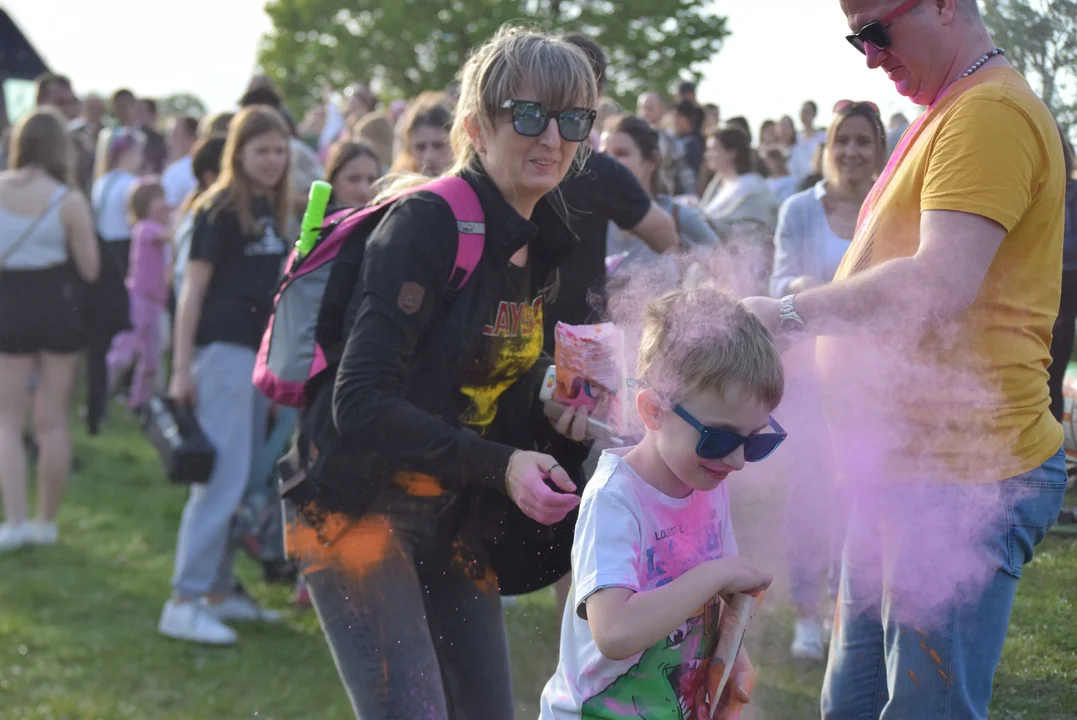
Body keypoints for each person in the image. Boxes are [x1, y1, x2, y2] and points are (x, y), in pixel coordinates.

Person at [742, 1, 1068, 716]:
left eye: (876, 30)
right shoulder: (952, 108)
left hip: (960, 482)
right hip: (903, 476)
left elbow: (938, 282)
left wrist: (791, 316)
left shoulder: (989, 114)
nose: (867, 54)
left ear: (944, 5)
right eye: (854, 37)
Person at [281, 26, 599, 718]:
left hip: (453, 511)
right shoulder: (427, 224)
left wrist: (554, 401)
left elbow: (484, 373)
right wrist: (502, 463)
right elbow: (360, 402)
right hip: (354, 508)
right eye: (528, 115)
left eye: (573, 119)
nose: (551, 137)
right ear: (474, 127)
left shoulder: (542, 242)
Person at [539, 287, 781, 719]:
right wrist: (718, 573)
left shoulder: (708, 483)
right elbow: (613, 633)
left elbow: (717, 602)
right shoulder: (616, 500)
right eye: (721, 437)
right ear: (653, 411)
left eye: (756, 441)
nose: (738, 460)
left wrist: (729, 663)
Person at [160, 106, 291, 645]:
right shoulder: (217, 209)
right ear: (238, 152)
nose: (272, 160)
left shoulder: (269, 210)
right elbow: (190, 292)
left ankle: (216, 591)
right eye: (262, 150)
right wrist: (180, 367)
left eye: (280, 150)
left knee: (240, 479)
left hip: (255, 360)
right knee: (221, 480)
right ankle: (183, 599)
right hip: (221, 356)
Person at [768, 100, 887, 662]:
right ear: (827, 147)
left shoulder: (890, 208)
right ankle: (806, 617)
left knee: (862, 493)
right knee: (809, 494)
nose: (852, 152)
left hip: (873, 378)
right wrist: (829, 293)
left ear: (880, 149)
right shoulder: (799, 208)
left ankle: (849, 609)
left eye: (863, 141)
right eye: (843, 141)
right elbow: (780, 279)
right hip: (809, 376)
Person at [0, 109, 100, 551]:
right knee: (52, 420)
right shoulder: (68, 199)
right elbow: (91, 269)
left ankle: (15, 520)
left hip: (9, 307)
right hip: (57, 309)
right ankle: (46, 523)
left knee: (6, 422)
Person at [601, 113, 719, 268]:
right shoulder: (592, 219)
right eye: (604, 155)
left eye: (621, 154)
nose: (609, 162)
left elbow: (726, 273)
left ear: (651, 162)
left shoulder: (679, 216)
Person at [106, 179, 172, 411]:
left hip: (156, 302)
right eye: (159, 199)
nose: (164, 204)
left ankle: (138, 402)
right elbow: (168, 237)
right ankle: (103, 392)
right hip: (138, 299)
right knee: (123, 353)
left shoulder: (157, 228)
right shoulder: (145, 228)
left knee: (151, 360)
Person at [700, 128, 779, 238]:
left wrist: (711, 224)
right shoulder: (717, 183)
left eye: (714, 149)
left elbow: (755, 230)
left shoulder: (753, 188)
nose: (707, 155)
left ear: (732, 153)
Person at [1048, 126, 1077, 422]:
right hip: (1047, 286)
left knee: (1052, 378)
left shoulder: (1072, 192)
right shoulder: (1037, 192)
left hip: (1066, 285)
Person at [390, 92, 454, 177]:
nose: (429, 156)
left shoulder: (472, 185)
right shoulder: (400, 187)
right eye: (420, 147)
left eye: (438, 145)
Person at [324, 140, 381, 208]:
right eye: (353, 179)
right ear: (333, 181)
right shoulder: (316, 217)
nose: (363, 189)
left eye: (371, 180)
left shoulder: (387, 216)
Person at [161, 116, 200, 210]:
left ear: (192, 138)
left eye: (175, 135)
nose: (170, 142)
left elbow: (167, 209)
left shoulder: (175, 172)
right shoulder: (214, 165)